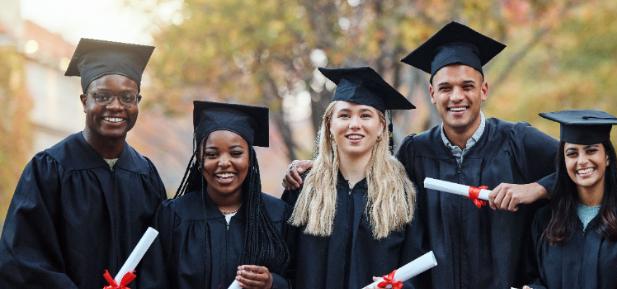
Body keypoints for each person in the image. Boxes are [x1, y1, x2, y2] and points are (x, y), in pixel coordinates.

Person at [284, 22, 559, 289]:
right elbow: (371, 173)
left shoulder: (517, 141)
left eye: (467, 86)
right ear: (432, 93)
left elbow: (588, 173)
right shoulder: (416, 152)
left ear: (483, 90)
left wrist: (535, 189)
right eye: (445, 88)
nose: (456, 96)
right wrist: (321, 168)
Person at [0, 38, 166, 288]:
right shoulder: (49, 169)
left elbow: (161, 257)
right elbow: (23, 258)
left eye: (127, 97)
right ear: (84, 101)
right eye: (102, 96)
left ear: (137, 103)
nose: (116, 106)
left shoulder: (145, 174)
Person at [282, 67, 422, 289]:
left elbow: (415, 273)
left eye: (365, 115)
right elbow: (284, 269)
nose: (354, 124)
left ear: (381, 128)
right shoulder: (302, 188)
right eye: (344, 115)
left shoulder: (402, 195)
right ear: (329, 126)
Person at [151, 101, 290, 289]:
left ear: (250, 159)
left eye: (236, 153)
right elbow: (153, 280)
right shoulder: (174, 216)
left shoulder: (277, 216)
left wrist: (272, 283)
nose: (224, 162)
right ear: (199, 161)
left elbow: (302, 278)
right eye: (212, 154)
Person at [522, 110, 617, 289]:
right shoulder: (545, 219)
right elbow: (532, 277)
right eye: (572, 153)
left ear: (608, 157)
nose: (582, 161)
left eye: (591, 150)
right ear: (563, 162)